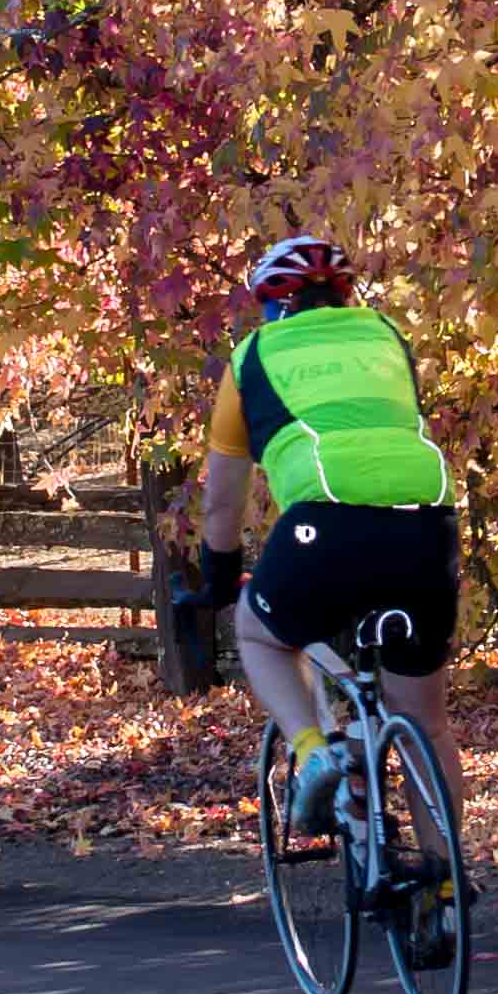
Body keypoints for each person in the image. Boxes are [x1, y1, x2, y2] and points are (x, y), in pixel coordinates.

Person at [196, 236, 460, 859]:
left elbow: (223, 502)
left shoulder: (253, 356)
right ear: (343, 296)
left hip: (327, 522)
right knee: (428, 722)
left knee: (259, 630)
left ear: (271, 305)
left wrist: (219, 573)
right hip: (429, 521)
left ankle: (313, 751)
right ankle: (445, 884)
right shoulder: (387, 337)